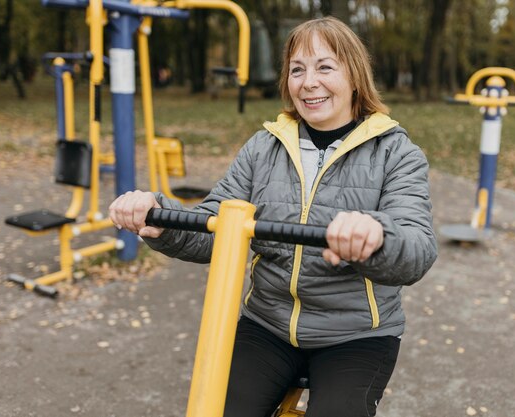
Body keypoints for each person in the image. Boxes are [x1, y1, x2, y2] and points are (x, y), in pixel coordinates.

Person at [109, 17, 437, 417]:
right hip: (267, 325)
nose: (308, 82)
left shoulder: (396, 154)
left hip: (355, 335)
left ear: (354, 76)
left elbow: (416, 247)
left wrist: (377, 237)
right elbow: (215, 227)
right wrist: (159, 218)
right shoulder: (264, 148)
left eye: (324, 67)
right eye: (297, 69)